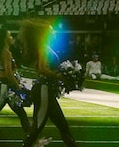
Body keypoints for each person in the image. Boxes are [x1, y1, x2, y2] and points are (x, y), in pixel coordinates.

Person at [19, 19, 78, 147]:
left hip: (48, 91)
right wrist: (59, 76)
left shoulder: (45, 46)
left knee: (63, 126)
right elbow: (42, 69)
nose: (54, 33)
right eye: (52, 31)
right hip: (43, 90)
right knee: (38, 126)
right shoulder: (42, 47)